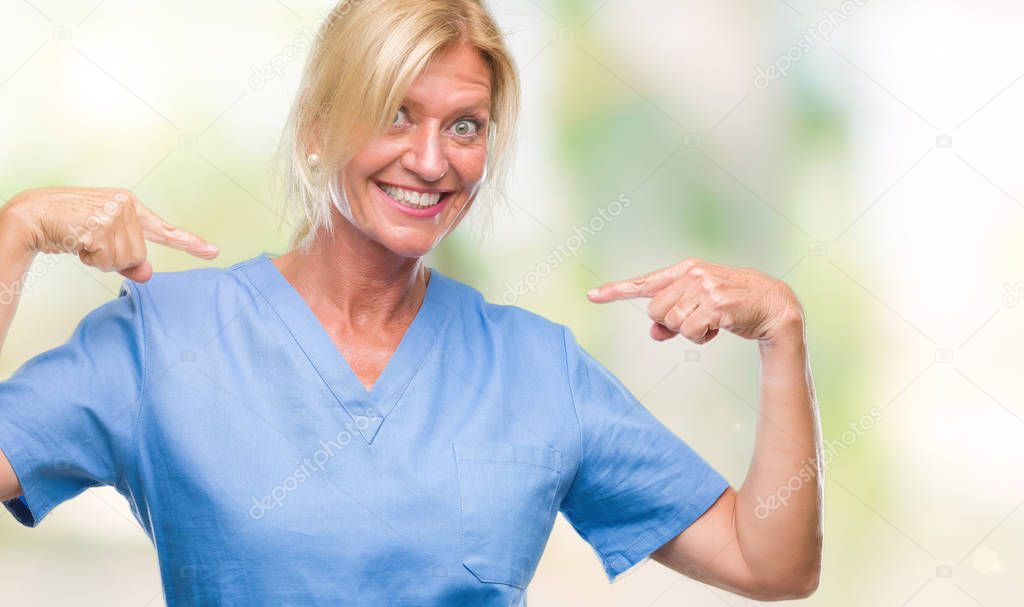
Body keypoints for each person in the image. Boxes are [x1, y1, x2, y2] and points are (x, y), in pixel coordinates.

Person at [0, 0, 822, 604]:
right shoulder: (161, 338)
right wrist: (17, 232)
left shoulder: (536, 367)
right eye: (396, 115)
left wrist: (782, 329)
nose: (430, 161)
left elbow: (771, 561)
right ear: (319, 128)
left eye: (465, 126)